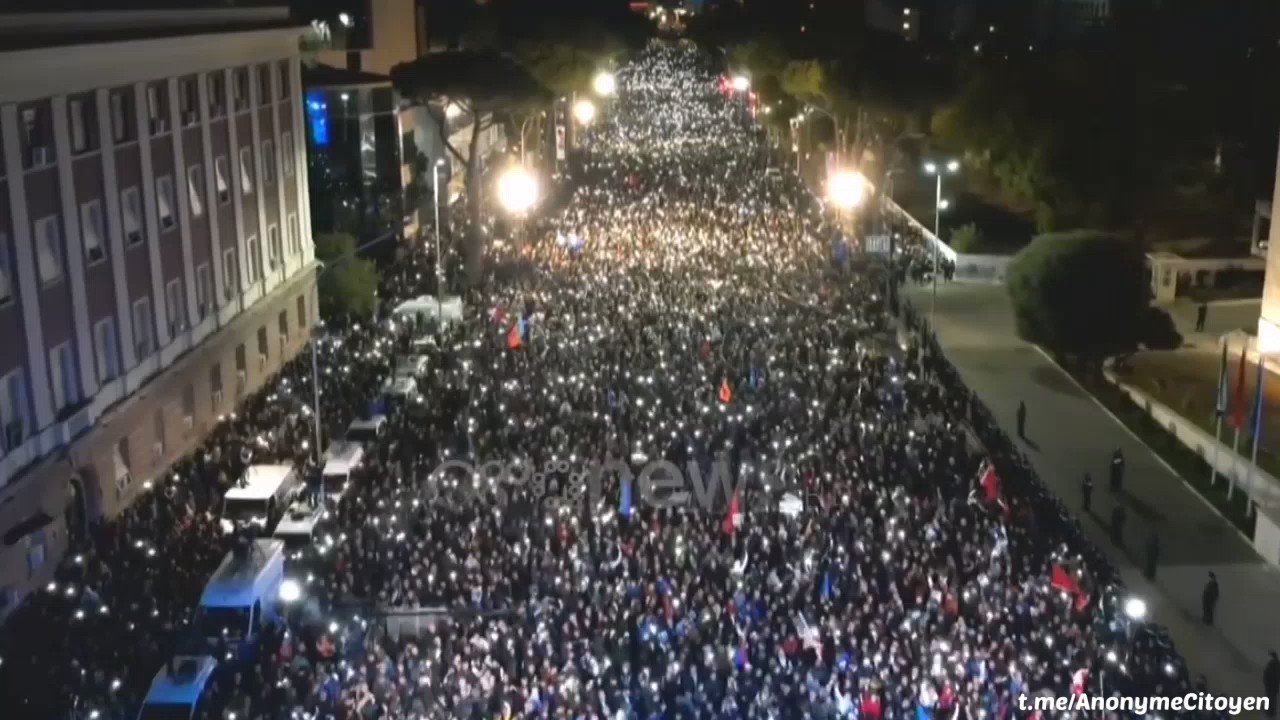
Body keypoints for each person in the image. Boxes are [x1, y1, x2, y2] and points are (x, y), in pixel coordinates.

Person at [1265, 650, 1279, 717]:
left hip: (1271, 685)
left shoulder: (1274, 664)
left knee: (1271, 698)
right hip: (1272, 685)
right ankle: (1271, 711)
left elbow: (1275, 675)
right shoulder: (1274, 663)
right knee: (1271, 698)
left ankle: (1271, 712)